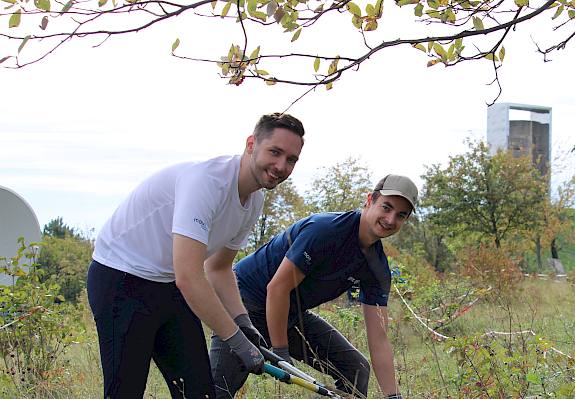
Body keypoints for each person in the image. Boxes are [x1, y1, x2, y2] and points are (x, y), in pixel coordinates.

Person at [86, 113, 306, 398]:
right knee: (125, 391)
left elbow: (218, 267)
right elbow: (189, 277)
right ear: (251, 144)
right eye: (274, 152)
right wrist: (237, 342)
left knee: (199, 392)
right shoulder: (207, 182)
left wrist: (243, 322)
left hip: (167, 284)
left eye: (291, 160)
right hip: (120, 279)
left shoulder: (253, 199)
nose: (281, 166)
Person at [210, 175, 417, 399]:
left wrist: (393, 396)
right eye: (386, 207)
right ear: (370, 200)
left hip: (289, 311)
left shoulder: (377, 268)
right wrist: (281, 352)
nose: (390, 219)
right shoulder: (326, 230)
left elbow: (379, 337)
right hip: (244, 302)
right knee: (216, 391)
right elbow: (277, 289)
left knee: (354, 369)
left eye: (400, 215)